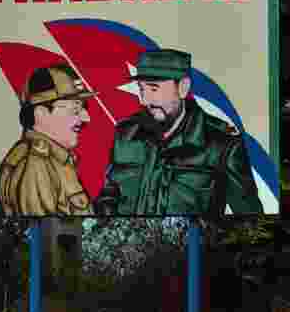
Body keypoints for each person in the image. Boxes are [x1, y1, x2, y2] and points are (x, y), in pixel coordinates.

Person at [94, 48, 263, 216]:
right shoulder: (126, 134)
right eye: (141, 89)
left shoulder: (222, 144)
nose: (145, 100)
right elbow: (108, 197)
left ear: (183, 87)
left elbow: (250, 218)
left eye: (154, 89)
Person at [0, 64, 95, 217]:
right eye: (75, 110)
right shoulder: (36, 165)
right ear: (40, 113)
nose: (86, 117)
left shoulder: (53, 160)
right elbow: (45, 234)